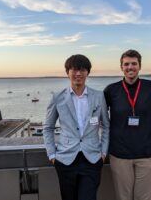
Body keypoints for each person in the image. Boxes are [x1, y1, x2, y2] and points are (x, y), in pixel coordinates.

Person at [43, 54, 110, 200]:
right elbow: (48, 127)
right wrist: (52, 155)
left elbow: (106, 126)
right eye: (74, 70)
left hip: (92, 159)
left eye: (82, 70)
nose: (78, 73)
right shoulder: (57, 97)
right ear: (68, 72)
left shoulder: (99, 96)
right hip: (65, 159)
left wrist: (103, 153)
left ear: (87, 73)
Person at [104, 49, 151, 200]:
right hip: (120, 154)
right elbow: (102, 119)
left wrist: (148, 132)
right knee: (123, 197)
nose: (130, 67)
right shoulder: (111, 90)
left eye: (134, 64)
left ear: (140, 66)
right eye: (126, 64)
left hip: (146, 153)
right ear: (121, 67)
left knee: (145, 198)